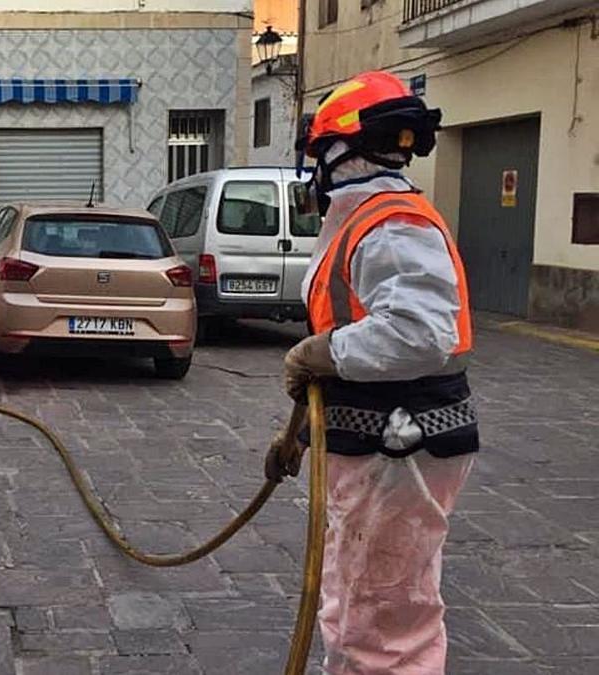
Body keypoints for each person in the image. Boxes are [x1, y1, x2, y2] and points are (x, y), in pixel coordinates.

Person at [266, 71, 478, 674]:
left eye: (321, 155)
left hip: (400, 445)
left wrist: (318, 352)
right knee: (359, 600)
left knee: (383, 619)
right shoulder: (369, 218)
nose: (316, 171)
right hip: (375, 440)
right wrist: (299, 436)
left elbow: (419, 334)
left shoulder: (392, 223)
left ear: (342, 151)